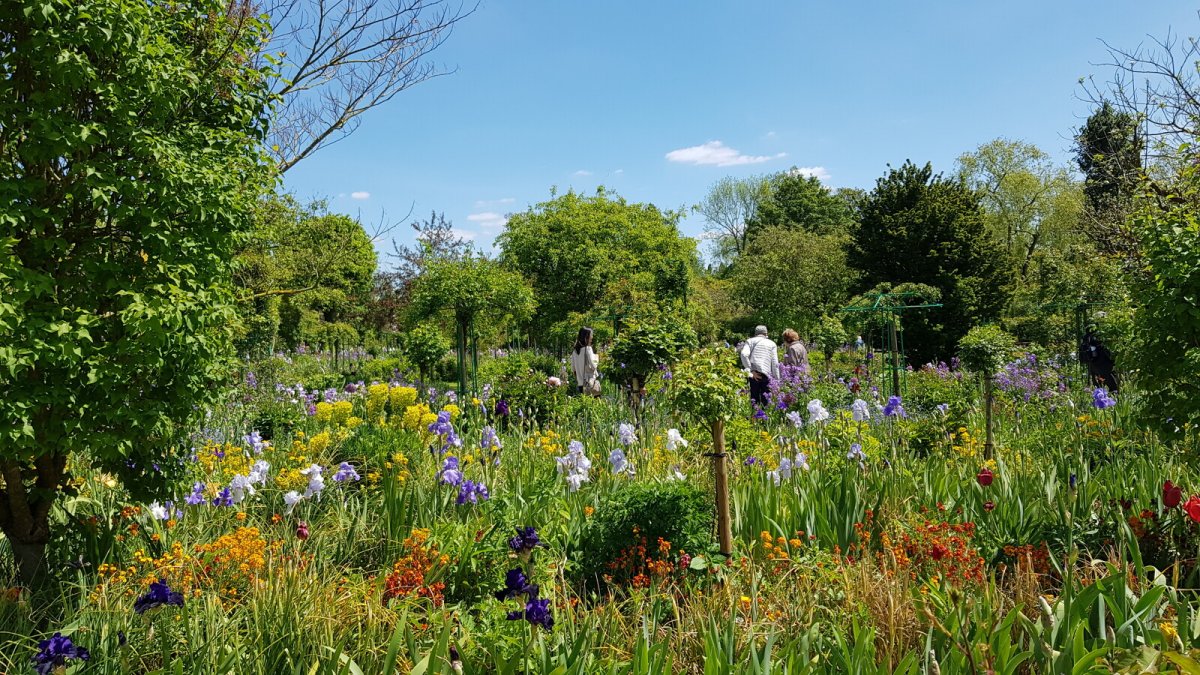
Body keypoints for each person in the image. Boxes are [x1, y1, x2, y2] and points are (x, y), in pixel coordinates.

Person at [740, 325, 779, 407]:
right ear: (766, 333)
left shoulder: (750, 341)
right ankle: (764, 419)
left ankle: (753, 418)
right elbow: (775, 363)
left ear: (755, 333)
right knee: (766, 401)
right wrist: (777, 380)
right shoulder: (772, 344)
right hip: (766, 374)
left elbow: (743, 354)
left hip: (754, 375)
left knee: (754, 401)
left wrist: (751, 371)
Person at [1079, 326, 1119, 392]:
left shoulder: (1085, 338)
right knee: (1110, 383)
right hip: (1103, 364)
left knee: (1097, 384)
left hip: (1093, 366)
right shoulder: (1098, 336)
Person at [571, 327, 600, 396]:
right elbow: (594, 366)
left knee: (584, 403)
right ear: (586, 337)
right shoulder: (588, 349)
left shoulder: (574, 351)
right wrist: (596, 358)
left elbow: (573, 369)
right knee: (594, 404)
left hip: (580, 384)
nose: (592, 337)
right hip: (590, 383)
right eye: (591, 335)